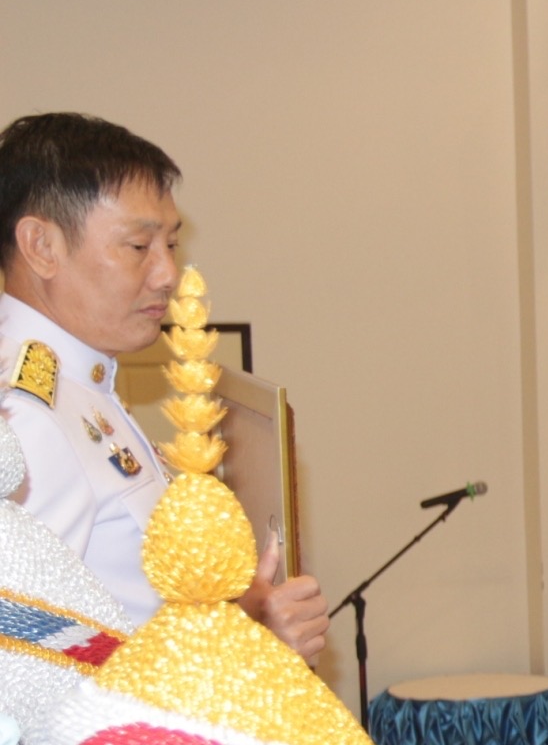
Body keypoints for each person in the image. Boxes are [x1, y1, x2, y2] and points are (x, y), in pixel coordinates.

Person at [0, 112, 326, 660]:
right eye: (138, 246)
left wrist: (237, 617)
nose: (168, 274)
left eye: (170, 245)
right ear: (41, 246)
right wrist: (245, 654)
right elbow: (30, 669)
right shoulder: (26, 417)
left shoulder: (80, 384)